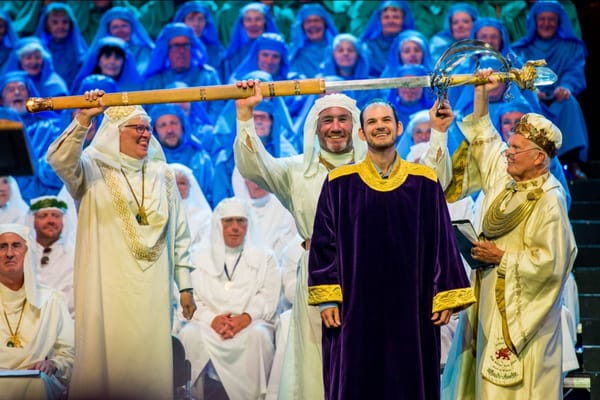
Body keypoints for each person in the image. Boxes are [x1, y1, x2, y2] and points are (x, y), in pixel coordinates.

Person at [307, 97, 474, 399]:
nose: (379, 127)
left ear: (398, 128)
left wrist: (444, 295)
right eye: (371, 122)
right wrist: (327, 298)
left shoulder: (424, 182)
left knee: (409, 381)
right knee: (356, 381)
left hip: (413, 307)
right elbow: (323, 245)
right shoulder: (339, 184)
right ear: (361, 134)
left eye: (385, 121)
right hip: (355, 309)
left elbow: (441, 241)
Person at [46, 90, 197, 398]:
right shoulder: (91, 169)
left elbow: (180, 234)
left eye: (147, 128)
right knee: (107, 366)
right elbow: (58, 160)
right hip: (106, 288)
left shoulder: (164, 175)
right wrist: (83, 118)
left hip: (152, 292)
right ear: (115, 131)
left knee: (149, 369)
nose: (145, 134)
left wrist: (186, 286)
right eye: (137, 127)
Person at [441, 69, 577, 399]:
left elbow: (551, 266)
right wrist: (480, 90)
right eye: (510, 145)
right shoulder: (509, 178)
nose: (508, 153)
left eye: (516, 148)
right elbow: (486, 139)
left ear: (540, 159)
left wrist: (500, 257)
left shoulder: (550, 200)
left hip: (524, 319)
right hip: (488, 299)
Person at [234, 79, 367, 400]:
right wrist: (245, 116)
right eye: (327, 120)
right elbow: (254, 167)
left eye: (342, 119)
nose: (335, 127)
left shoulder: (374, 166)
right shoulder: (295, 170)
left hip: (366, 268)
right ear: (315, 127)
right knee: (315, 351)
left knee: (365, 349)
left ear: (355, 125)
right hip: (317, 268)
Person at [177, 197, 280, 400]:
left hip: (249, 323)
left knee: (259, 336)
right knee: (190, 334)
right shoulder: (197, 257)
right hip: (209, 325)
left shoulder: (265, 257)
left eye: (241, 221)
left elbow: (267, 296)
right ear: (218, 225)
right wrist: (212, 319)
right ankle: (194, 394)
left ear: (248, 225)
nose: (235, 228)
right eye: (229, 221)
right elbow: (192, 296)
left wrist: (244, 318)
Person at [511, 0, 589, 181]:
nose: (546, 23)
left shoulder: (572, 46)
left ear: (559, 21)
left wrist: (566, 87)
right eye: (542, 19)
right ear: (534, 21)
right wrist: (531, 91)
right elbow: (517, 73)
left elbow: (574, 70)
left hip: (559, 99)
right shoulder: (519, 49)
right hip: (531, 100)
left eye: (551, 19)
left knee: (570, 104)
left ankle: (572, 164)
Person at [0, 223, 74, 400]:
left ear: (28, 252)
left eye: (16, 245)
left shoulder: (51, 299)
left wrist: (52, 364)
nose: (9, 253)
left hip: (36, 380)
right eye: (2, 246)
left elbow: (69, 352)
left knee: (38, 383)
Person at [144, 22, 223, 123]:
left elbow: (216, 111)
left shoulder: (208, 76)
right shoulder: (153, 81)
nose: (181, 51)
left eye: (185, 45)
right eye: (176, 46)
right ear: (166, 50)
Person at [28, 195, 75, 318]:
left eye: (56, 216)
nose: (51, 221)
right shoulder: (21, 255)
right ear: (32, 221)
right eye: (43, 216)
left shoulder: (74, 257)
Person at [33, 2, 88, 88]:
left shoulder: (79, 52)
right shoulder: (39, 52)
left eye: (65, 22)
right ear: (47, 25)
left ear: (70, 24)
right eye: (55, 22)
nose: (60, 26)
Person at [91, 6, 155, 76]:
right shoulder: (99, 53)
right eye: (115, 27)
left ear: (132, 28)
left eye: (124, 26)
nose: (120, 31)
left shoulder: (143, 52)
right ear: (109, 31)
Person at [70, 35, 141, 93]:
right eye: (107, 57)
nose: (112, 61)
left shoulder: (135, 90)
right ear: (97, 61)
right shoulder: (86, 85)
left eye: (117, 57)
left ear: (124, 62)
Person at [169, 162, 212, 251]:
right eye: (173, 182)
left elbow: (206, 244)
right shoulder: (155, 210)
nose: (177, 187)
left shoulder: (204, 215)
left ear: (190, 186)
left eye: (182, 183)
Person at [288, 3, 338, 79]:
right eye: (308, 21)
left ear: (325, 24)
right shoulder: (294, 53)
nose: (313, 25)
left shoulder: (338, 50)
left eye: (316, 20)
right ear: (302, 26)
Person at [173, 1, 224, 70]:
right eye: (191, 19)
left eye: (200, 19)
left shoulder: (216, 53)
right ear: (182, 23)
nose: (196, 24)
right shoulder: (172, 51)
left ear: (206, 23)